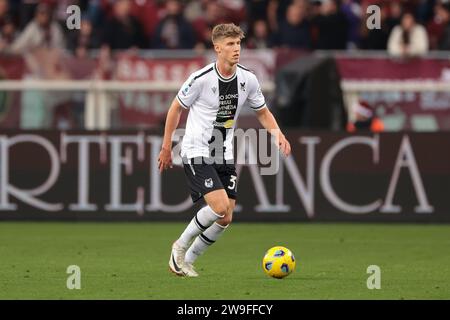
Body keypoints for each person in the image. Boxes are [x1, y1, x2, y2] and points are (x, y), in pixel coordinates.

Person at [158, 23, 291, 277]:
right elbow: (175, 108)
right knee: (219, 206)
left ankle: (187, 261)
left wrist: (278, 135)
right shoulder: (200, 79)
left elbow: (262, 111)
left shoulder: (247, 79)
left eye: (238, 44)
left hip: (223, 153)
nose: (236, 49)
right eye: (230, 44)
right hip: (197, 150)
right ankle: (179, 249)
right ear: (217, 48)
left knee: (225, 217)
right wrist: (167, 147)